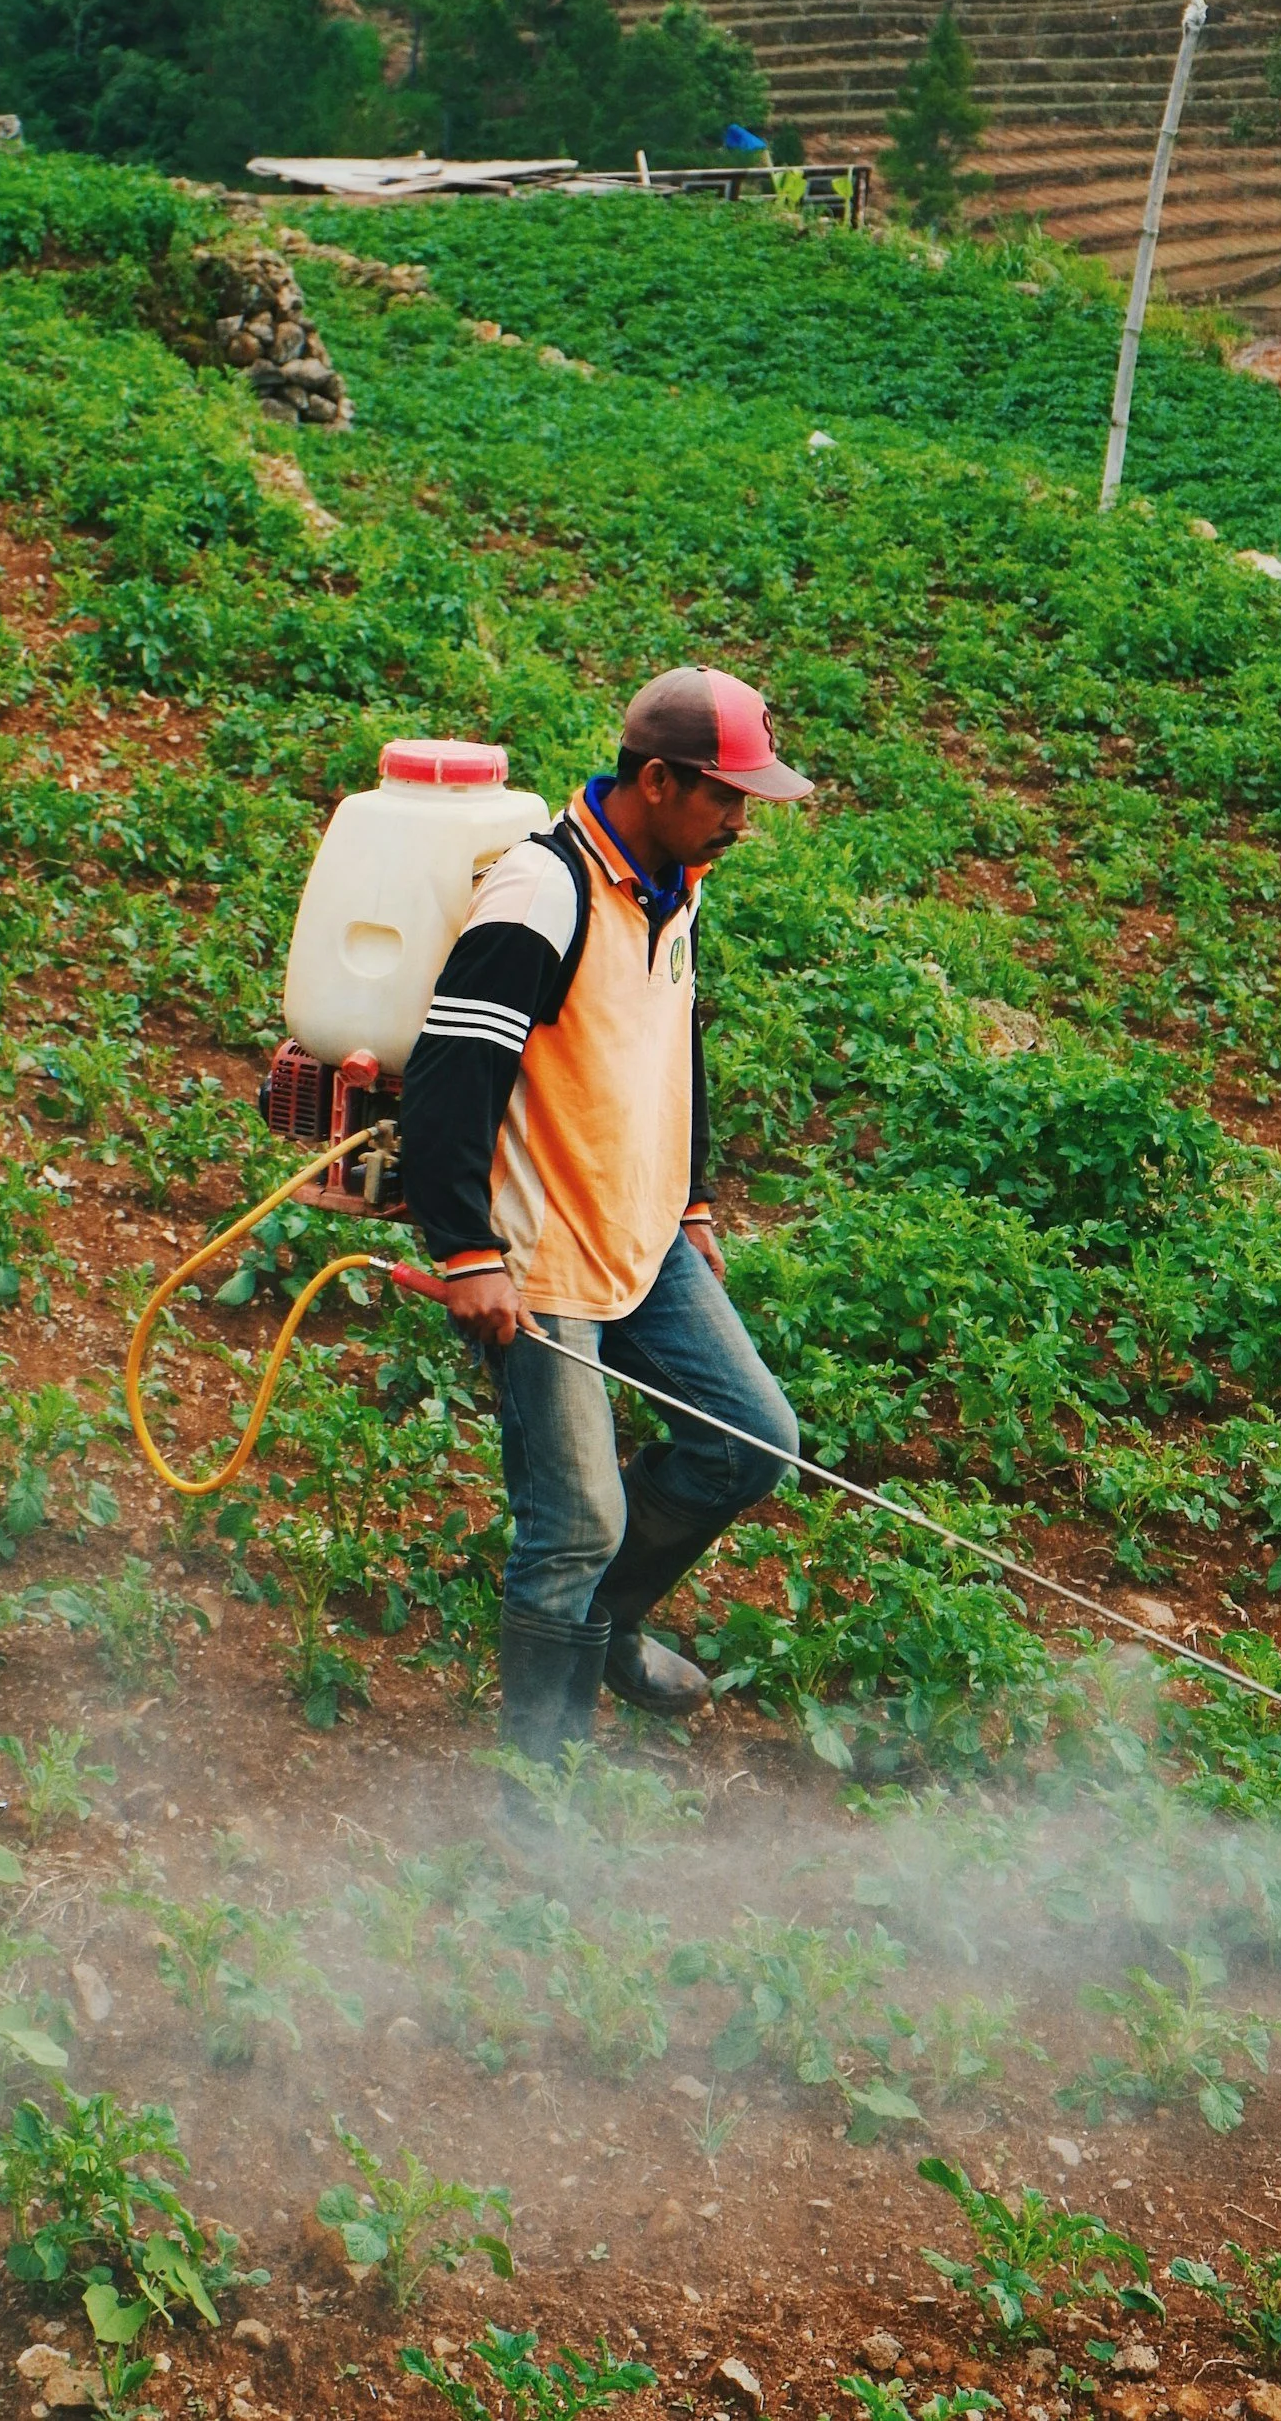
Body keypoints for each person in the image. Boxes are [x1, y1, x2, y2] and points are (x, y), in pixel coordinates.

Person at [399, 665, 812, 1761]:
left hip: (642, 1231)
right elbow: (448, 1079)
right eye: (728, 798)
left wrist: (692, 1196)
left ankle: (603, 1619)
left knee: (752, 1441)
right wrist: (466, 1250)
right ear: (661, 780)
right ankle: (540, 1797)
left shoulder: (674, 879)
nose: (741, 821)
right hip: (543, 1255)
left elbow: (671, 1036)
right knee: (574, 1520)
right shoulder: (541, 895)